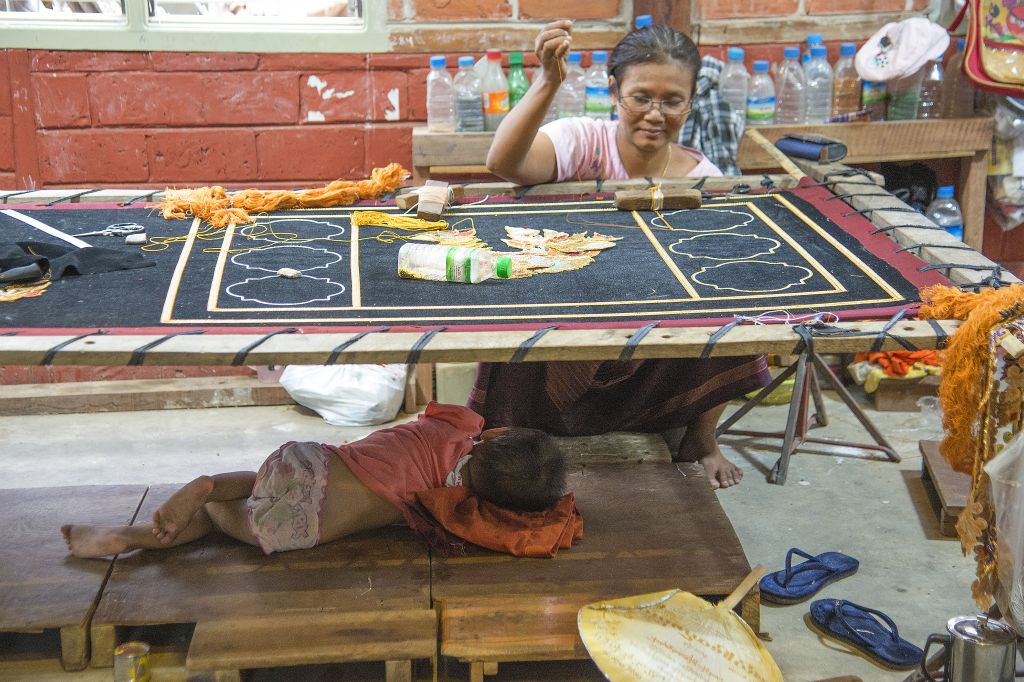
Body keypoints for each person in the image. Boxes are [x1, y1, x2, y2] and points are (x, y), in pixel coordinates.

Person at [476, 20, 771, 490]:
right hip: (569, 316)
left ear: (691, 101)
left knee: (733, 306)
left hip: (650, 332)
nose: (655, 114)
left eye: (672, 100)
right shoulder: (582, 142)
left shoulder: (704, 178)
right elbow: (503, 163)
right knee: (520, 311)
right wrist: (548, 81)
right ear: (615, 92)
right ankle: (520, 433)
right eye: (641, 97)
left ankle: (700, 438)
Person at [61, 402, 568, 558]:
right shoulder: (453, 506)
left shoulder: (458, 426)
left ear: (496, 433)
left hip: (308, 462)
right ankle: (130, 536)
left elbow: (438, 412)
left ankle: (210, 484)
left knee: (256, 482)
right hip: (301, 525)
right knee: (220, 523)